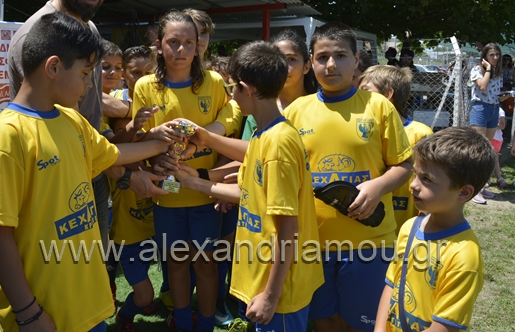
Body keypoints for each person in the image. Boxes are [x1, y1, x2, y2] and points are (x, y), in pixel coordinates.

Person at [0, 12, 173, 332]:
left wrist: (161, 142)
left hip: (87, 305)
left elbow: (113, 154)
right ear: (53, 67)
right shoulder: (8, 135)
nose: (90, 85)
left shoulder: (73, 121)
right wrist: (28, 312)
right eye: (86, 74)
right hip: (45, 313)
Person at [7, 0, 149, 253]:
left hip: (91, 170)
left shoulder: (90, 29)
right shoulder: (36, 37)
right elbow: (54, 129)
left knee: (94, 265)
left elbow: (88, 112)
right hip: (52, 180)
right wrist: (125, 175)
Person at [172, 40, 324, 332]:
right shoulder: (263, 134)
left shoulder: (278, 144)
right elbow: (248, 195)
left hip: (280, 291)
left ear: (247, 88)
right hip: (263, 279)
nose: (232, 95)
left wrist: (271, 296)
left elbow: (288, 229)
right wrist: (193, 181)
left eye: (232, 88)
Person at [283, 22, 413, 332]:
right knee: (325, 320)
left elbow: (405, 165)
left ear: (356, 61)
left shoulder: (378, 107)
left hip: (369, 243)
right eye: (322, 57)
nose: (331, 65)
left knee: (364, 324)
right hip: (313, 242)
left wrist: (378, 186)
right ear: (311, 62)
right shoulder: (295, 111)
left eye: (340, 56)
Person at [132, 10, 240, 332]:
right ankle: (181, 322)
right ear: (158, 45)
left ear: (198, 46)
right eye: (173, 42)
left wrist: (202, 139)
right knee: (177, 265)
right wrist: (154, 137)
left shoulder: (213, 82)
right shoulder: (145, 86)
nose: (181, 49)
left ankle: (205, 324)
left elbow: (230, 120)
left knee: (206, 264)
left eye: (188, 43)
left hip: (206, 196)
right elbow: (138, 140)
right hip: (167, 195)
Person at [374, 127, 495, 332]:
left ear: (463, 193)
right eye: (415, 174)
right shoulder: (409, 228)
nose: (413, 185)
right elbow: (392, 284)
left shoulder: (464, 256)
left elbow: (446, 326)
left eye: (427, 179)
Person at [357, 65, 433, 235]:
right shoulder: (360, 134)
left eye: (365, 90)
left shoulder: (421, 133)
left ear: (387, 95)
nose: (358, 96)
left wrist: (425, 218)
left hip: (406, 227)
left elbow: (430, 181)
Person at [241, 29, 318, 139]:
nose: (283, 66)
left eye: (291, 59)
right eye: (278, 59)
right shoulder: (260, 108)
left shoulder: (321, 106)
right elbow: (247, 148)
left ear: (306, 66)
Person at [469, 42, 511, 204]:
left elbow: (494, 94)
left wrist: (504, 97)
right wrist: (487, 69)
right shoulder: (477, 69)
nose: (495, 57)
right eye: (491, 55)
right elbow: (482, 87)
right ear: (485, 56)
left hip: (494, 108)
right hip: (480, 108)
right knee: (479, 149)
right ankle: (474, 188)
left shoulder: (498, 72)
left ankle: (481, 186)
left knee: (488, 149)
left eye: (497, 54)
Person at [491, 107, 509, 189]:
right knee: (490, 158)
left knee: (494, 158)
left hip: (496, 138)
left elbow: (502, 125)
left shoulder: (500, 110)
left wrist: (491, 125)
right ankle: (497, 178)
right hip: (488, 136)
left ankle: (498, 178)